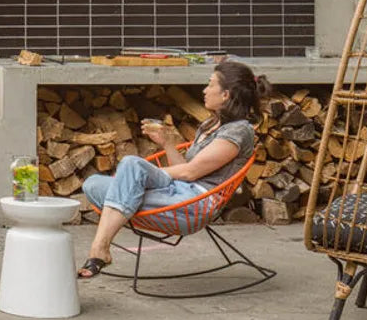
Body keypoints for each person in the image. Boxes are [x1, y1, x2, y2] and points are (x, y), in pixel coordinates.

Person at [76, 60, 269, 279]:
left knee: (131, 164)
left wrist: (138, 177)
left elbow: (191, 173)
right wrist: (166, 143)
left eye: (210, 84)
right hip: (176, 192)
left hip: (194, 204)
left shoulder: (238, 132)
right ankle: (112, 224)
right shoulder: (210, 125)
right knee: (92, 184)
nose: (204, 90)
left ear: (226, 94)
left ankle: (98, 249)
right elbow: (183, 170)